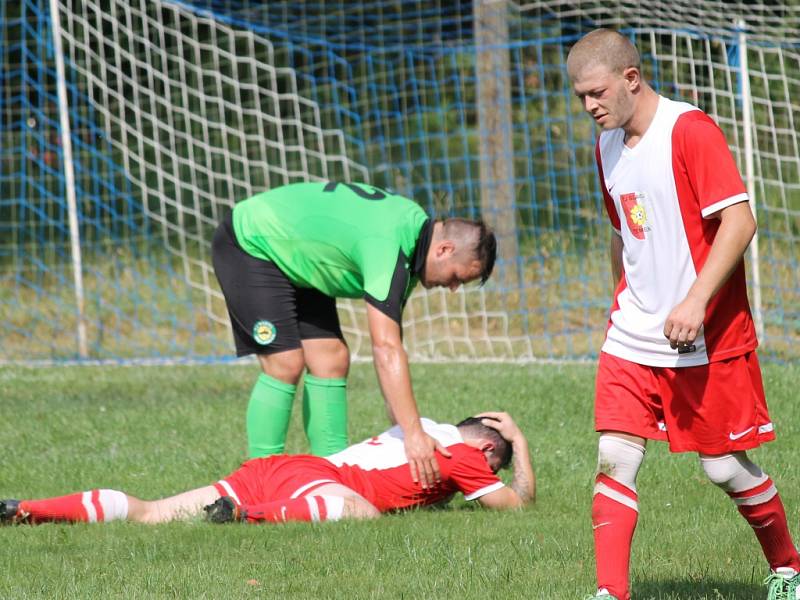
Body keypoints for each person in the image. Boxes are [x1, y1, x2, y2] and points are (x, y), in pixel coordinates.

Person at [567, 29, 800, 600]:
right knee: (615, 456)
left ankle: (790, 570)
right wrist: (622, 303)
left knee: (723, 468)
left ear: (631, 78)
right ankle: (609, 593)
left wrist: (694, 300)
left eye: (597, 92)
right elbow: (622, 234)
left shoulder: (688, 130)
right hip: (632, 335)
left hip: (705, 337)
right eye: (580, 98)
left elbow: (740, 222)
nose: (590, 106)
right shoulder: (606, 147)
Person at [211, 181, 496, 489]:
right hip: (253, 242)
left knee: (331, 360)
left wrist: (401, 437)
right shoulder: (390, 243)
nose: (453, 288)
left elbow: (392, 355)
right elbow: (385, 348)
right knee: (285, 363)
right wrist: (413, 436)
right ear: (444, 250)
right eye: (457, 277)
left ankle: (332, 473)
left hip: (300, 258)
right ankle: (257, 481)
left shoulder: (412, 240)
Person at [0, 412, 533, 526]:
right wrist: (521, 443)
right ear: (486, 451)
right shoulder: (463, 455)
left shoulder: (422, 427)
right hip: (313, 484)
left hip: (281, 467)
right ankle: (244, 515)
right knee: (359, 511)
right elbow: (517, 504)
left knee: (149, 513)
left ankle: (25, 508)